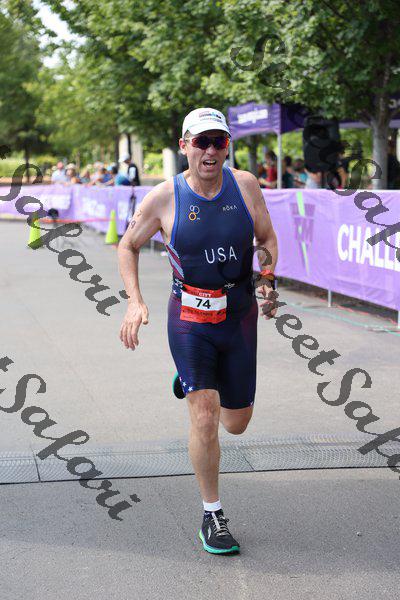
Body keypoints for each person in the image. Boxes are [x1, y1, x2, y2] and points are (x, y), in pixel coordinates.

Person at [117, 107, 279, 555]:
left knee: (236, 423)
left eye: (218, 142)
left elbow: (266, 238)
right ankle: (212, 514)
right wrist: (135, 300)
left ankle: (198, 381)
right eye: (201, 141)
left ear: (227, 147)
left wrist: (267, 281)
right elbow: (128, 245)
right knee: (205, 416)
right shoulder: (164, 197)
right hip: (189, 319)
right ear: (184, 145)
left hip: (239, 314)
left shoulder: (245, 185)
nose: (210, 151)